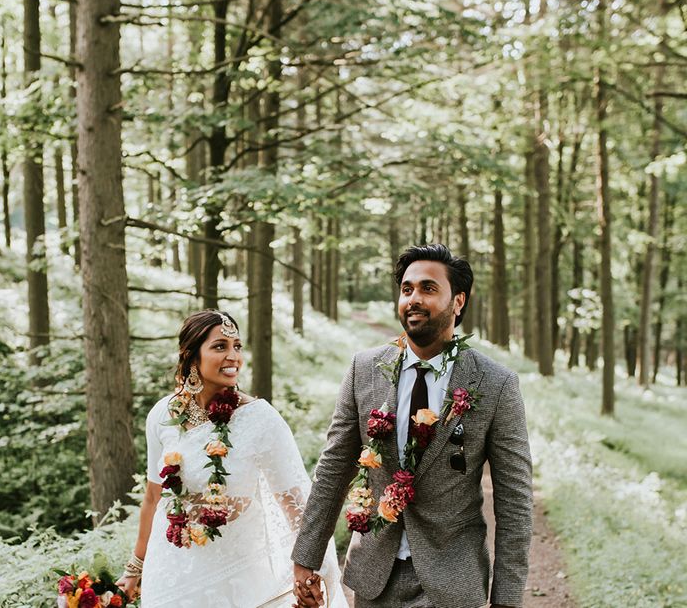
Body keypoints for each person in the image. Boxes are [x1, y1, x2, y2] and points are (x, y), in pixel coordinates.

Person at [291, 244, 533, 608]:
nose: (414, 299)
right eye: (407, 289)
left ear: (458, 301)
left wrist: (507, 598)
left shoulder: (496, 384)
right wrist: (305, 557)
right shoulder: (364, 370)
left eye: (428, 289)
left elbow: (514, 498)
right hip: (375, 577)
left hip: (453, 581)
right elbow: (334, 467)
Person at [116, 309, 347, 608]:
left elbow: (296, 506)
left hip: (239, 578)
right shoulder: (163, 415)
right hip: (171, 572)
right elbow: (152, 498)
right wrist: (136, 568)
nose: (233, 356)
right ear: (191, 356)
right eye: (219, 346)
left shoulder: (260, 419)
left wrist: (307, 573)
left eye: (237, 346)